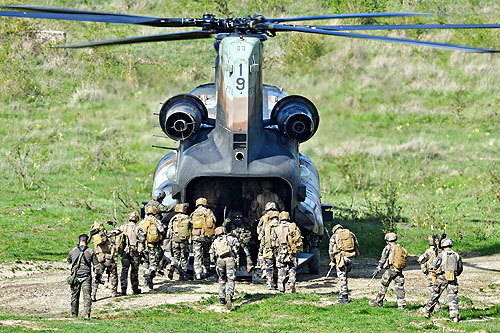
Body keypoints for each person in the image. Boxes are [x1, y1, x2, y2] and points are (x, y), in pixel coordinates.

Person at [420, 238, 463, 322]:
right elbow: (460, 268)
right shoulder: (457, 255)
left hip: (442, 277)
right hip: (452, 277)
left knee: (435, 294)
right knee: (453, 296)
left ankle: (427, 310)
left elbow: (434, 265)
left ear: (443, 245)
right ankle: (455, 316)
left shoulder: (441, 255)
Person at [369, 232, 407, 310]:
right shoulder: (399, 247)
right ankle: (401, 305)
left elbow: (383, 258)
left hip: (391, 270)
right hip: (398, 269)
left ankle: (378, 302)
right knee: (399, 287)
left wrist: (379, 267)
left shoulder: (388, 247)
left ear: (387, 240)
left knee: (384, 285)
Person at [67, 234, 99, 319]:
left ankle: (74, 314)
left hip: (75, 276)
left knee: (74, 296)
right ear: (87, 241)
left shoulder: (72, 250)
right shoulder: (90, 251)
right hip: (86, 277)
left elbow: (69, 261)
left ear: (79, 240)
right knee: (87, 297)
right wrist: (98, 276)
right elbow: (97, 266)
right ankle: (86, 315)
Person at [210, 226, 240, 310]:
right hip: (229, 259)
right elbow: (237, 244)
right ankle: (229, 295)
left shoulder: (215, 241)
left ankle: (221, 298)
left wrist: (213, 261)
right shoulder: (229, 238)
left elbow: (211, 252)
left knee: (222, 279)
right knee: (230, 278)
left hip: (220, 260)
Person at [89, 220, 121, 300]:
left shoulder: (93, 236)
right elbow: (119, 231)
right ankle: (114, 292)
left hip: (99, 258)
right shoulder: (106, 234)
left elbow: (86, 241)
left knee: (97, 276)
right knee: (114, 275)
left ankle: (93, 294)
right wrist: (113, 224)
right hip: (108, 258)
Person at [328, 224, 360, 304]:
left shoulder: (334, 236)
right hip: (351, 257)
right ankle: (341, 294)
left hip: (341, 258)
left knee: (342, 277)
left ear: (334, 230)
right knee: (345, 275)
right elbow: (357, 245)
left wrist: (332, 260)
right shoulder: (351, 234)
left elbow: (331, 251)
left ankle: (345, 298)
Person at [272, 211, 301, 293]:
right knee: (292, 267)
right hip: (292, 250)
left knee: (281, 268)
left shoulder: (276, 228)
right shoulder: (294, 227)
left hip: (281, 250)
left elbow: (273, 242)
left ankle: (281, 287)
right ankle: (292, 282)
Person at [191, 197, 216, 280]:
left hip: (195, 237)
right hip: (205, 236)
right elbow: (214, 221)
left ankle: (197, 273)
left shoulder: (194, 213)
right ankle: (206, 270)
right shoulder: (208, 212)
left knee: (197, 255)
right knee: (206, 253)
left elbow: (190, 224)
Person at [140, 205, 165, 289]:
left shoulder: (142, 222)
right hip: (154, 246)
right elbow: (162, 230)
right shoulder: (156, 221)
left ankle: (145, 280)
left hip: (144, 247)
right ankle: (150, 277)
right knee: (153, 264)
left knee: (146, 262)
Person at [119, 211, 144, 295]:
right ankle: (135, 289)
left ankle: (123, 289)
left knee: (124, 270)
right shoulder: (138, 228)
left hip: (124, 252)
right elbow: (142, 239)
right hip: (135, 252)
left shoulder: (123, 227)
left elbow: (117, 233)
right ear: (136, 219)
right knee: (134, 271)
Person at [166, 203, 192, 279]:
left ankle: (172, 265)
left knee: (176, 257)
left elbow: (169, 231)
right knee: (184, 258)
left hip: (175, 240)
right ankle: (182, 275)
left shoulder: (173, 218)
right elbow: (191, 227)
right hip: (184, 241)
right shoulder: (187, 218)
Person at [417, 236, 441, 312]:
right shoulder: (440, 251)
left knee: (433, 291)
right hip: (439, 274)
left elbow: (420, 259)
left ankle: (436, 307)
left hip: (431, 274)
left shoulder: (428, 252)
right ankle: (436, 306)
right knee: (436, 290)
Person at [259, 210, 280, 290]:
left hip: (268, 249)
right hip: (279, 250)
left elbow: (260, 237)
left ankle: (269, 283)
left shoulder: (266, 226)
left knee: (269, 266)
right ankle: (279, 283)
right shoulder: (281, 226)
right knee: (279, 267)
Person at [256, 202, 278, 276]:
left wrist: (261, 235)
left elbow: (259, 228)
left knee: (261, 254)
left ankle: (262, 269)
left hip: (266, 240)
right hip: (277, 241)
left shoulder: (264, 217)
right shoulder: (279, 216)